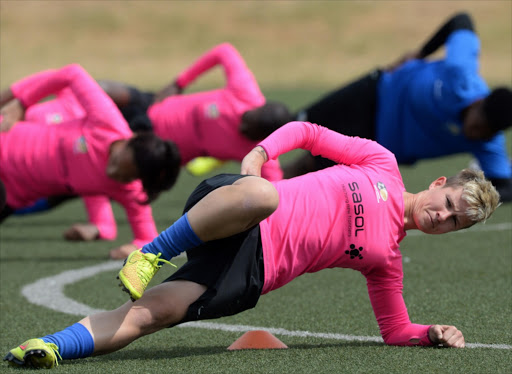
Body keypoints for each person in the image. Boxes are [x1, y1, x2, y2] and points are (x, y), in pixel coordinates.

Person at [4, 121, 501, 369]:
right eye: (449, 203)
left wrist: (431, 331)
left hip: (250, 272)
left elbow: (395, 329)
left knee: (147, 316)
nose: (442, 217)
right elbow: (306, 132)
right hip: (236, 206)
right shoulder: (381, 165)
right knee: (262, 194)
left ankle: (48, 347)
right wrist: (260, 154)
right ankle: (151, 251)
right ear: (439, 183)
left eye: (454, 223)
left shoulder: (386, 260)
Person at [241, 12, 512, 202]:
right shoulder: (461, 73)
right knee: (292, 124)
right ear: (479, 102)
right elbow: (461, 20)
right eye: (478, 124)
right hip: (375, 93)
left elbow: (505, 185)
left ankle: (255, 195)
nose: (475, 133)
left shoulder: (486, 142)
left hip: (375, 143)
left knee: (312, 165)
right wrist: (420, 53)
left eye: (485, 133)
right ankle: (228, 135)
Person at [0, 63, 181, 255]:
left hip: (9, 197)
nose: (114, 173)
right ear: (131, 140)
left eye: (126, 176)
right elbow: (72, 73)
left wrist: (133, 249)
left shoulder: (128, 189)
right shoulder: (108, 122)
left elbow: (149, 239)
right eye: (118, 163)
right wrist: (21, 103)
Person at [98, 42, 290, 182]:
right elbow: (224, 51)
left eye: (249, 131)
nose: (241, 126)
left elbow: (276, 186)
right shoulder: (246, 93)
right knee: (103, 90)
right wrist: (179, 83)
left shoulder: (257, 151)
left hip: (151, 152)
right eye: (247, 119)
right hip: (151, 108)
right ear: (257, 107)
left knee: (103, 163)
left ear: (262, 136)